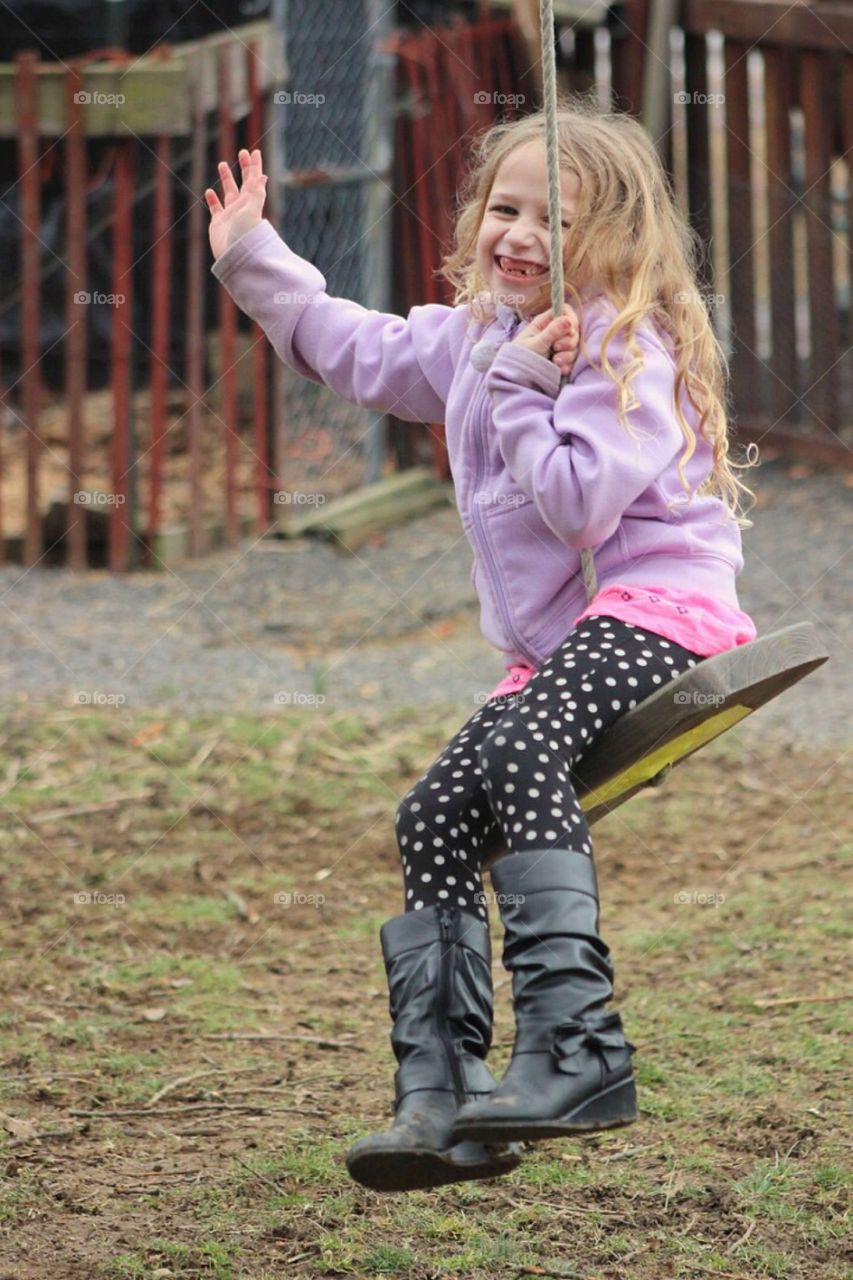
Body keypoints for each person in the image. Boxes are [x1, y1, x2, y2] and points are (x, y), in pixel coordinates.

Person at [205, 96, 758, 1194]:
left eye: (556, 220)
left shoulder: (622, 346)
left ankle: (576, 1048)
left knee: (515, 756)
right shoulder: (475, 339)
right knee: (431, 811)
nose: (520, 235)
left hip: (657, 610)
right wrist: (251, 258)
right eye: (505, 207)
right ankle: (444, 1092)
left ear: (614, 240)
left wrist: (518, 387)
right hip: (564, 648)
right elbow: (354, 347)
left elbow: (579, 506)